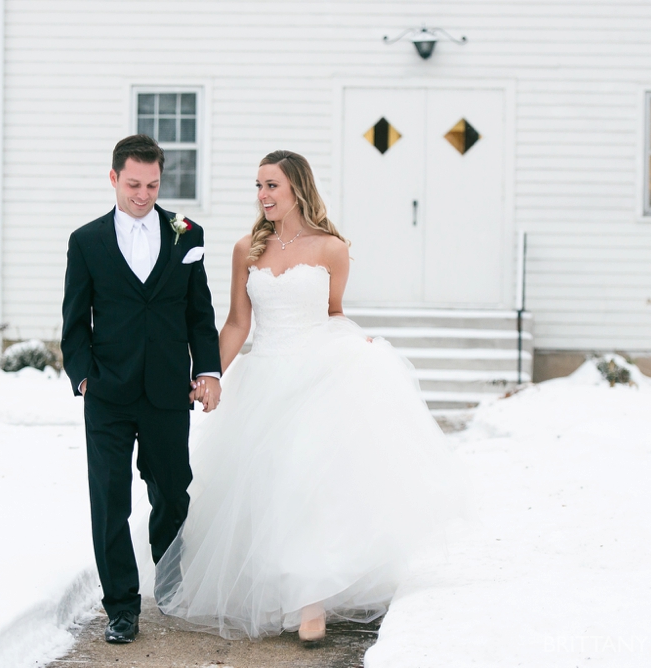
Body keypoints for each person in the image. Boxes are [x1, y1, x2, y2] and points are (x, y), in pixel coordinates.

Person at [149, 150, 474, 642]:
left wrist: (355, 341)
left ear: (297, 188)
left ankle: (311, 602)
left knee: (307, 482)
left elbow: (333, 313)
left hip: (319, 374)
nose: (263, 195)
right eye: (259, 186)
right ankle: (272, 586)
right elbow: (237, 323)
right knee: (266, 486)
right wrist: (207, 374)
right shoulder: (246, 249)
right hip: (264, 376)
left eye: (272, 186)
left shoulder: (331, 248)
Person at [61, 134, 222, 644]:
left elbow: (199, 314)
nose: (143, 194)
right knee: (110, 502)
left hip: (167, 391)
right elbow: (74, 321)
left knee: (173, 493)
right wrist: (84, 378)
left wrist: (209, 371)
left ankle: (169, 582)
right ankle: (121, 608)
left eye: (152, 185)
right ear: (114, 178)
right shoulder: (86, 241)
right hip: (108, 393)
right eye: (133, 184)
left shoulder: (187, 233)